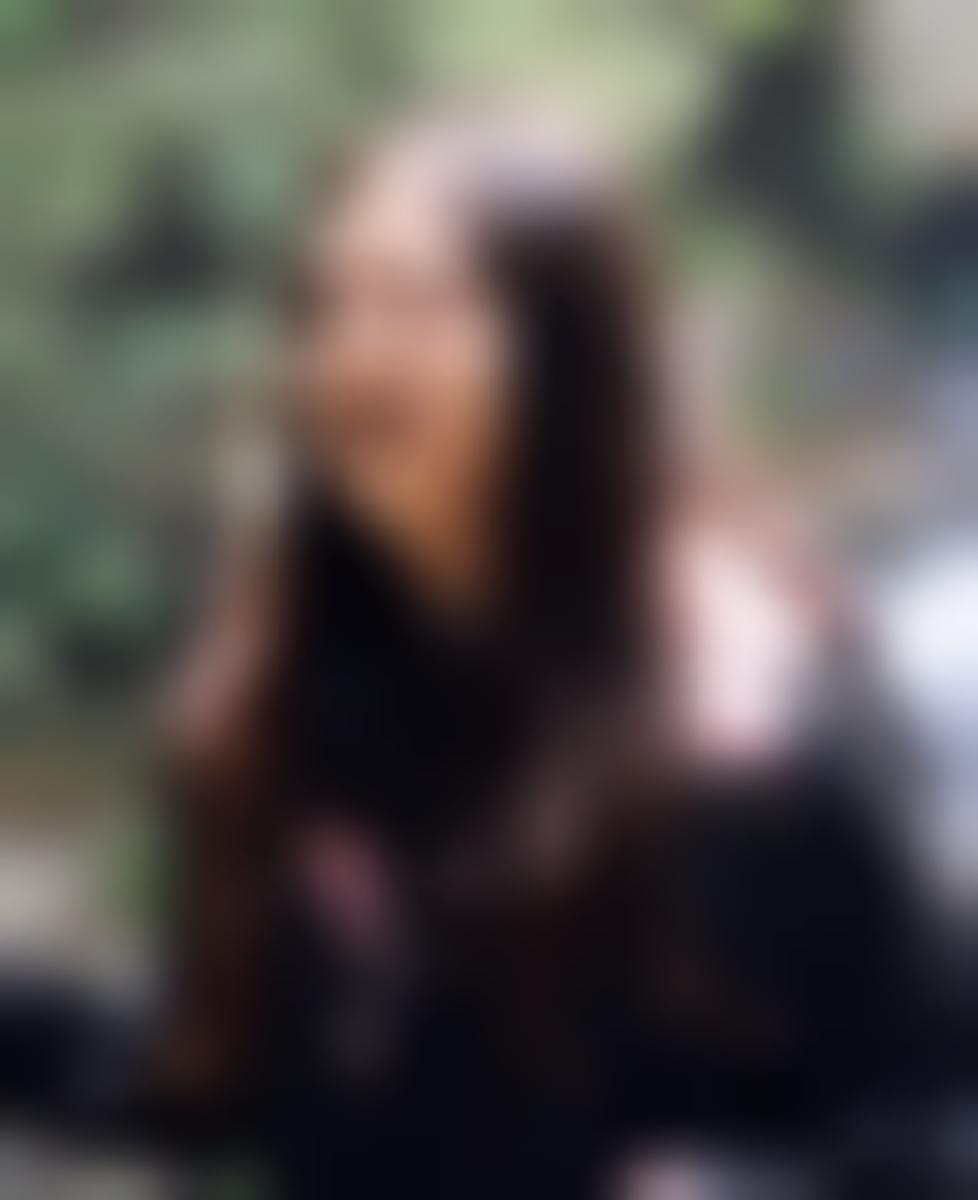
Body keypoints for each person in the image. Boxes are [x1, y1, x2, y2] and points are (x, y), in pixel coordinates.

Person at [49, 104, 922, 1197]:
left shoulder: (764, 716)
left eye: (414, 304)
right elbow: (232, 1080)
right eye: (326, 305)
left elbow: (934, 1118)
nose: (353, 354)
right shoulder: (291, 701)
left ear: (570, 362)